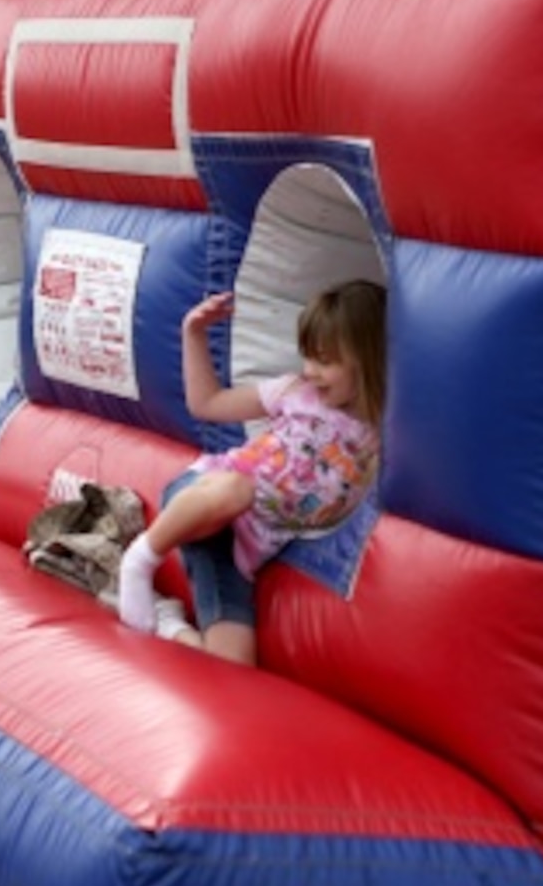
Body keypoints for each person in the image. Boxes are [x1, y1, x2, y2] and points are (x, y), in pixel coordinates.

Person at [116, 280, 387, 666]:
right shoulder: (294, 391)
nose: (310, 371)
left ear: (368, 359)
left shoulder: (378, 439)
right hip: (203, 497)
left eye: (325, 361)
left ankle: (167, 623)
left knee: (231, 669)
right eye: (307, 357)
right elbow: (207, 403)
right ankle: (139, 560)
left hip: (240, 550)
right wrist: (192, 334)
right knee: (236, 491)